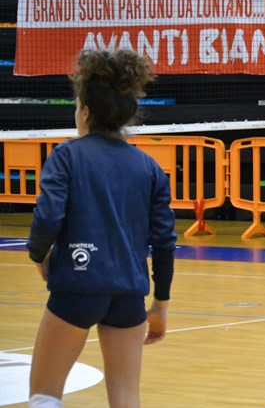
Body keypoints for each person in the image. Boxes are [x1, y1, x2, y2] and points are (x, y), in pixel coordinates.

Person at [26, 48, 176, 408]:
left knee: (44, 395)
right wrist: (160, 303)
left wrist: (38, 255)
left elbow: (47, 217)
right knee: (126, 400)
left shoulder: (67, 155)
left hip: (77, 288)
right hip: (128, 296)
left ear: (86, 113)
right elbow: (164, 243)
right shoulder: (149, 168)